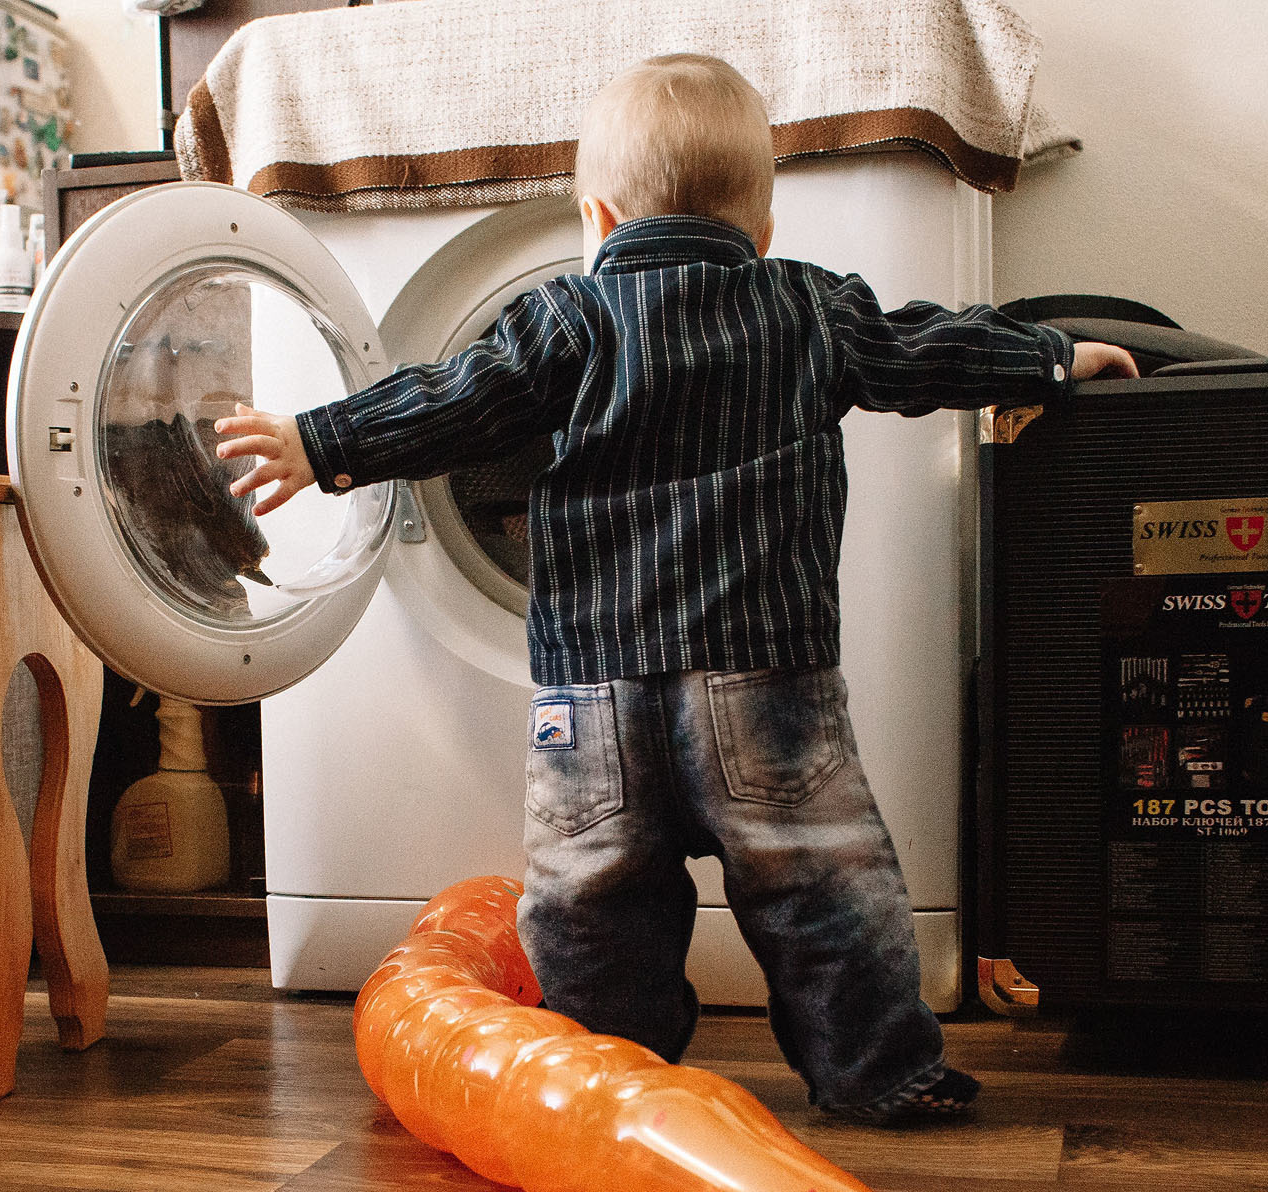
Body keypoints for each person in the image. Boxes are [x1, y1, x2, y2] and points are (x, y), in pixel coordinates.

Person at [213, 53, 1138, 1125]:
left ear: (598, 216)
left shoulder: (567, 319)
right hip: (768, 686)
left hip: (592, 703)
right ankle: (884, 1072)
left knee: (589, 906)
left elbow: (452, 400)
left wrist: (319, 439)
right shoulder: (806, 306)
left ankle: (617, 1075)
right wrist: (1050, 357)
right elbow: (923, 347)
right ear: (765, 230)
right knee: (827, 889)